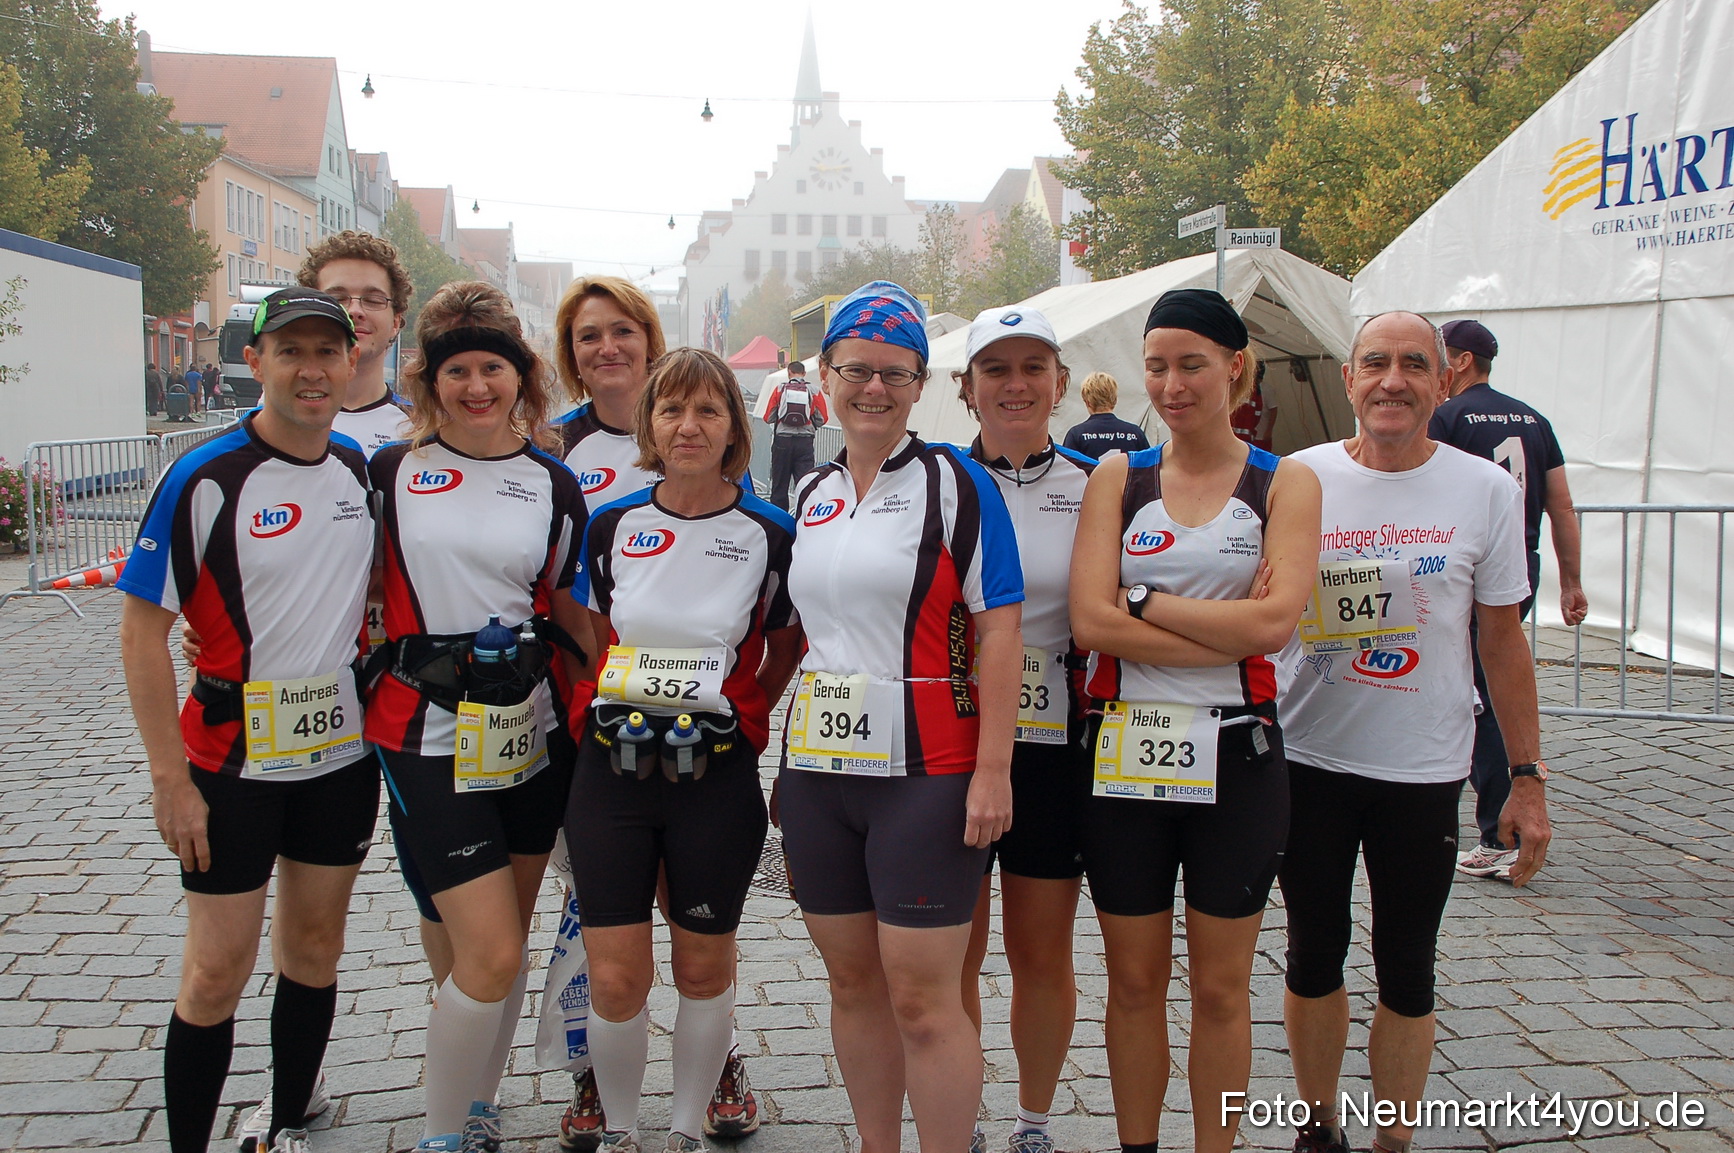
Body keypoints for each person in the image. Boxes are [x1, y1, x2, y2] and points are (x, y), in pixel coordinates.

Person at [1277, 311, 1551, 1153]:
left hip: (1422, 766)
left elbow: (1502, 638)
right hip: (1308, 757)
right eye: (1374, 363)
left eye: (1412, 365)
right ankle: (1319, 1129)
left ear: (1443, 380)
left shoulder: (1485, 490)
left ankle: (1393, 1141)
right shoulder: (1299, 475)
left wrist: (1527, 778)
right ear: (1350, 378)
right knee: (1313, 953)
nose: (1392, 380)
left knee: (1408, 963)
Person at [117, 288, 374, 1153]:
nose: (311, 369)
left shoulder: (359, 472)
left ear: (350, 363)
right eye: (291, 351)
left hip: (339, 758)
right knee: (216, 969)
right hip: (227, 763)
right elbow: (143, 630)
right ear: (256, 360)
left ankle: (292, 1116)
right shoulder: (204, 475)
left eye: (327, 352)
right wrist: (169, 781)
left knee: (313, 947)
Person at [1069, 289, 1321, 1153]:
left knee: (1221, 989)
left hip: (1239, 756)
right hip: (1126, 759)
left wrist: (1142, 596)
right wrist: (1207, 625)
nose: (1172, 385)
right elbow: (1090, 625)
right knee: (1134, 984)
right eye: (1157, 366)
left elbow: (1273, 625)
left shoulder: (1285, 480)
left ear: (1235, 368)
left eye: (1192, 365)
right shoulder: (1120, 476)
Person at [779, 281, 1023, 1153]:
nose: (873, 388)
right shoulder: (809, 489)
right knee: (852, 984)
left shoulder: (957, 483)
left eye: (895, 372)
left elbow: (1001, 632)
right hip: (818, 772)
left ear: (921, 383)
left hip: (931, 771)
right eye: (856, 369)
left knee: (924, 997)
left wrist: (994, 769)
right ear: (824, 373)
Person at [365, 281, 592, 1152]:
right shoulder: (391, 470)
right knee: (488, 955)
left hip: (528, 736)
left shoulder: (553, 483)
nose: (475, 386)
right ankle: (441, 1134)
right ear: (432, 378)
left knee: (502, 946)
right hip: (422, 732)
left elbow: (573, 613)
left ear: (520, 376)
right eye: (457, 370)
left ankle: (479, 1109)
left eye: (491, 368)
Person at [567, 348, 802, 1153]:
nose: (689, 426)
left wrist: (752, 711)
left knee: (703, 969)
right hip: (614, 771)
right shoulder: (612, 526)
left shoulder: (771, 532)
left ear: (736, 425)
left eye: (708, 410)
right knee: (617, 976)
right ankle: (624, 1131)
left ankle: (681, 1130)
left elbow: (785, 641)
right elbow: (598, 635)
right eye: (671, 410)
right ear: (649, 424)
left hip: (715, 773)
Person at [953, 307, 1095, 1153]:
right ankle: (959, 1114)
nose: (1014, 384)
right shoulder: (934, 480)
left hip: (1051, 752)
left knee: (1042, 952)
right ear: (966, 389)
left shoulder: (1094, 486)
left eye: (1031, 367)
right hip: (949, 745)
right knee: (953, 958)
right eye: (995, 369)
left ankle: (1033, 1122)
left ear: (1060, 384)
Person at [1428, 318, 1586, 881]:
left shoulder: (1447, 416)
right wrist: (1572, 579)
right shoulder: (1534, 418)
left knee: (1480, 696)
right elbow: (1561, 505)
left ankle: (1497, 827)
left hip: (1463, 574)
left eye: (1437, 359)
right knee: (1488, 687)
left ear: (1462, 362)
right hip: (1518, 568)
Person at [762, 360, 829, 510]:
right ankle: (803, 518)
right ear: (804, 374)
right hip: (805, 442)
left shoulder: (780, 389)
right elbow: (823, 418)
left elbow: (768, 417)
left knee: (779, 484)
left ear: (789, 373)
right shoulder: (814, 390)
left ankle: (780, 522)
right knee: (805, 483)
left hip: (782, 442)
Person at [1061, 372, 1149, 459]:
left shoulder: (1076, 434)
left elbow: (1066, 468)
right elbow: (1149, 467)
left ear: (1088, 402)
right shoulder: (1135, 433)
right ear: (1114, 400)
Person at [1229, 360, 1278, 452]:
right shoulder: (1252, 391)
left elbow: (1272, 410)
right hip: (1246, 436)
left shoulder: (1262, 390)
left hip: (1252, 435)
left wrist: (1268, 430)